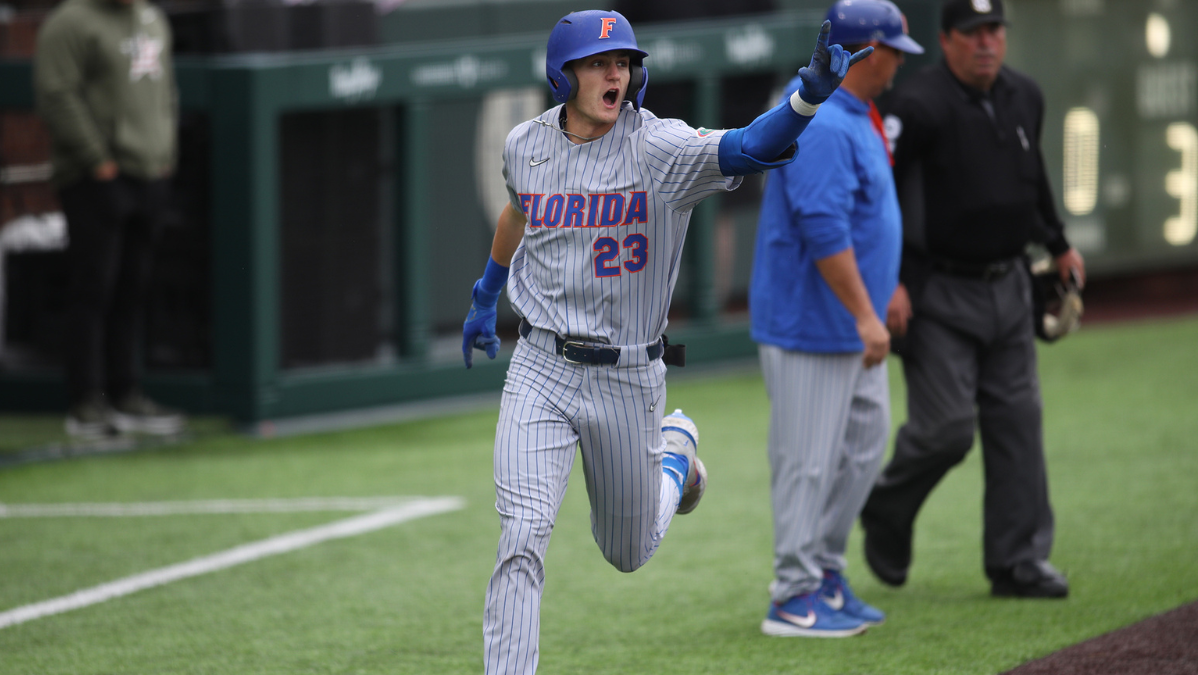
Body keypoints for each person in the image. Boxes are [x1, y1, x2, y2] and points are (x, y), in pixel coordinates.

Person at [462, 10, 869, 673]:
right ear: (563, 75)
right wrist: (486, 293)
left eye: (622, 61)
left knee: (626, 550)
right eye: (598, 63)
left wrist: (807, 97)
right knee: (522, 533)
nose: (614, 72)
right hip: (539, 364)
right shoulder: (525, 144)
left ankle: (675, 453)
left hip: (628, 375)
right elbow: (516, 210)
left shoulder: (660, 148)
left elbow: (747, 147)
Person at [860, 0, 1085, 599]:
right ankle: (886, 508)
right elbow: (883, 192)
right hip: (937, 291)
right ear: (948, 40)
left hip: (1010, 284)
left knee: (1018, 422)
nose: (986, 42)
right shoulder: (918, 105)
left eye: (994, 31)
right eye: (972, 32)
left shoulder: (1024, 95)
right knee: (947, 430)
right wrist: (894, 279)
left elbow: (1032, 173)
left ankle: (1018, 561)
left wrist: (1058, 244)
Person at [751, 0, 922, 638]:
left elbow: (869, 219)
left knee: (858, 452)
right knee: (807, 461)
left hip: (852, 326)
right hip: (812, 327)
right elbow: (823, 230)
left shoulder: (857, 113)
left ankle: (822, 572)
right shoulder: (821, 121)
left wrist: (885, 292)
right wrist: (865, 314)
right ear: (864, 54)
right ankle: (791, 596)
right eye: (892, 51)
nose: (900, 63)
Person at [35, 0, 185, 439]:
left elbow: (166, 92)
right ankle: (86, 400)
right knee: (92, 287)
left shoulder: (151, 18)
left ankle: (127, 393)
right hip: (94, 178)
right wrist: (97, 160)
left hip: (149, 172)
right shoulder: (69, 23)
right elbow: (56, 93)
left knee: (133, 287)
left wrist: (165, 154)